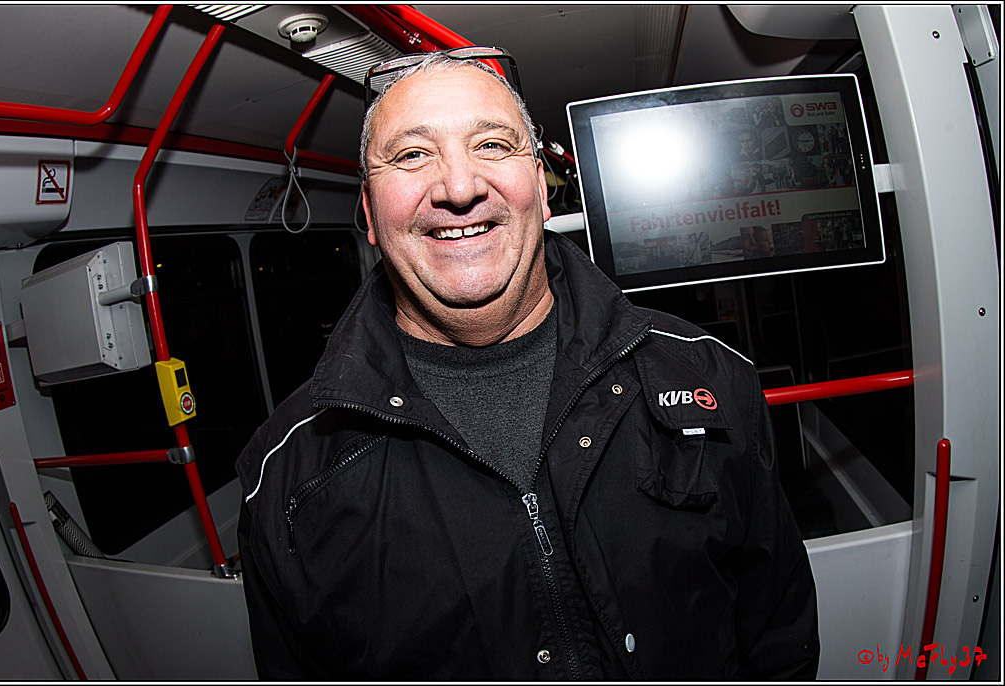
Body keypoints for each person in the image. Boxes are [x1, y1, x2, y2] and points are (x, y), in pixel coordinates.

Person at [236, 49, 820, 680]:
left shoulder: (707, 374)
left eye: (491, 145)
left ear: (541, 191)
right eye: (411, 155)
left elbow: (777, 638)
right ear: (371, 213)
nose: (459, 187)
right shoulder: (286, 473)